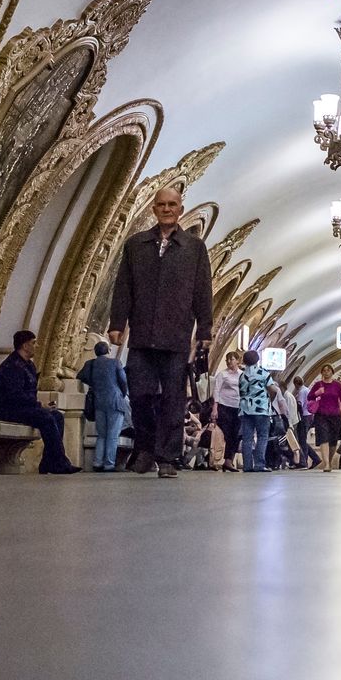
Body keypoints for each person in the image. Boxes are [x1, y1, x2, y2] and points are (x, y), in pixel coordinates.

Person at [108, 184, 214, 478]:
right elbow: (123, 288)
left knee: (172, 399)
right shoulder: (136, 245)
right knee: (140, 393)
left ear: (180, 209)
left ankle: (167, 457)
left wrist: (205, 330)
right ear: (154, 209)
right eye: (161, 204)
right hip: (142, 334)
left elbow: (203, 291)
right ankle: (145, 448)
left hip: (176, 336)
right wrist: (117, 324)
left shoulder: (194, 248)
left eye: (172, 204)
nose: (167, 209)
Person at [0, 330, 78, 473]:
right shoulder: (12, 366)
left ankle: (49, 462)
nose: (36, 346)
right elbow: (14, 396)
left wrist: (40, 405)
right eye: (34, 343)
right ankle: (59, 462)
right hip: (6, 410)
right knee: (47, 418)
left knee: (57, 416)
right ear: (25, 346)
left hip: (21, 408)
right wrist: (38, 405)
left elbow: (27, 395)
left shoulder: (29, 365)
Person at [76, 341, 131, 471]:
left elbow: (80, 376)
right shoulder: (115, 362)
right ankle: (109, 464)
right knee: (113, 434)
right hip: (115, 401)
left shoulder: (90, 364)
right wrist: (122, 394)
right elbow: (123, 381)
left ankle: (97, 462)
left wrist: (94, 385)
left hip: (98, 402)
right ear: (108, 351)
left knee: (101, 434)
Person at [236, 349, 277, 472]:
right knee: (262, 436)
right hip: (261, 409)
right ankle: (259, 464)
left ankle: (247, 466)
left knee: (247, 438)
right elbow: (273, 390)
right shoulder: (263, 373)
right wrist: (270, 400)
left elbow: (241, 392)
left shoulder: (242, 376)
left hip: (245, 409)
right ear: (257, 360)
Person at [308, 370, 341, 470]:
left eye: (328, 370)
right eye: (324, 371)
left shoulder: (337, 385)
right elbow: (309, 396)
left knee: (333, 441)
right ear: (321, 373)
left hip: (335, 415)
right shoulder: (318, 384)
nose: (326, 372)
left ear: (332, 372)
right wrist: (317, 393)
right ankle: (326, 463)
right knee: (324, 438)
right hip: (321, 415)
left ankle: (329, 461)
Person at [210, 351, 243, 472]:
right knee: (227, 433)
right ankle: (221, 459)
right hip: (224, 406)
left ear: (238, 361)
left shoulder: (242, 375)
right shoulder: (222, 375)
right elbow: (216, 391)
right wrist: (215, 408)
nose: (229, 362)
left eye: (232, 359)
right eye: (227, 360)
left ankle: (229, 460)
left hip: (237, 406)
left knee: (235, 434)